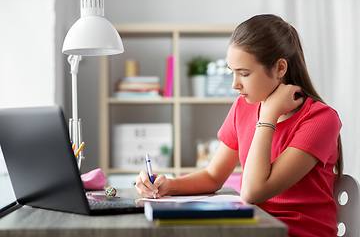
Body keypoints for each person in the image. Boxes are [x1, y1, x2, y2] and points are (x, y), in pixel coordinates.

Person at [135, 14, 343, 237]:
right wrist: (169, 186)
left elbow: (253, 192)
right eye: (232, 72)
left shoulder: (321, 119)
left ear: (280, 68)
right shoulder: (243, 107)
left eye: (244, 73)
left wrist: (269, 114)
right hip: (253, 227)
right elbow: (214, 176)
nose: (235, 85)